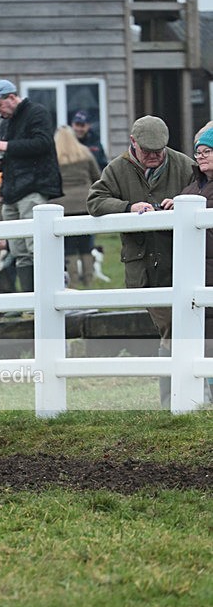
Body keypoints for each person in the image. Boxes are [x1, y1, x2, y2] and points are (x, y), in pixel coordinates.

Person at [87, 115, 194, 407]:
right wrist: (127, 207)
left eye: (159, 151)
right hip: (144, 267)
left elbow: (201, 191)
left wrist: (180, 201)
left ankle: (181, 396)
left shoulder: (183, 164)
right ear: (133, 143)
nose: (155, 156)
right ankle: (172, 397)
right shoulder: (117, 169)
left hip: (181, 261)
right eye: (148, 151)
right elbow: (95, 200)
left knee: (180, 327)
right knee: (171, 325)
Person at [0, 79, 62, 292]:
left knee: (36, 247)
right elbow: (13, 157)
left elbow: (43, 143)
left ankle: (45, 295)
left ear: (11, 97)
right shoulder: (5, 123)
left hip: (34, 188)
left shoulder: (37, 113)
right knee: (19, 251)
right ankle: (30, 299)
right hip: (11, 192)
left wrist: (6, 146)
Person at [180, 126, 213, 400]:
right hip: (198, 272)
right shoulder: (192, 187)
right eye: (198, 152)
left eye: (207, 151)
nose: (201, 156)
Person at [51, 125, 101, 288]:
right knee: (86, 245)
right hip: (85, 204)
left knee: (69, 247)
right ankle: (89, 281)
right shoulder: (85, 153)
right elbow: (97, 177)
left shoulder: (53, 156)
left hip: (62, 206)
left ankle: (73, 284)